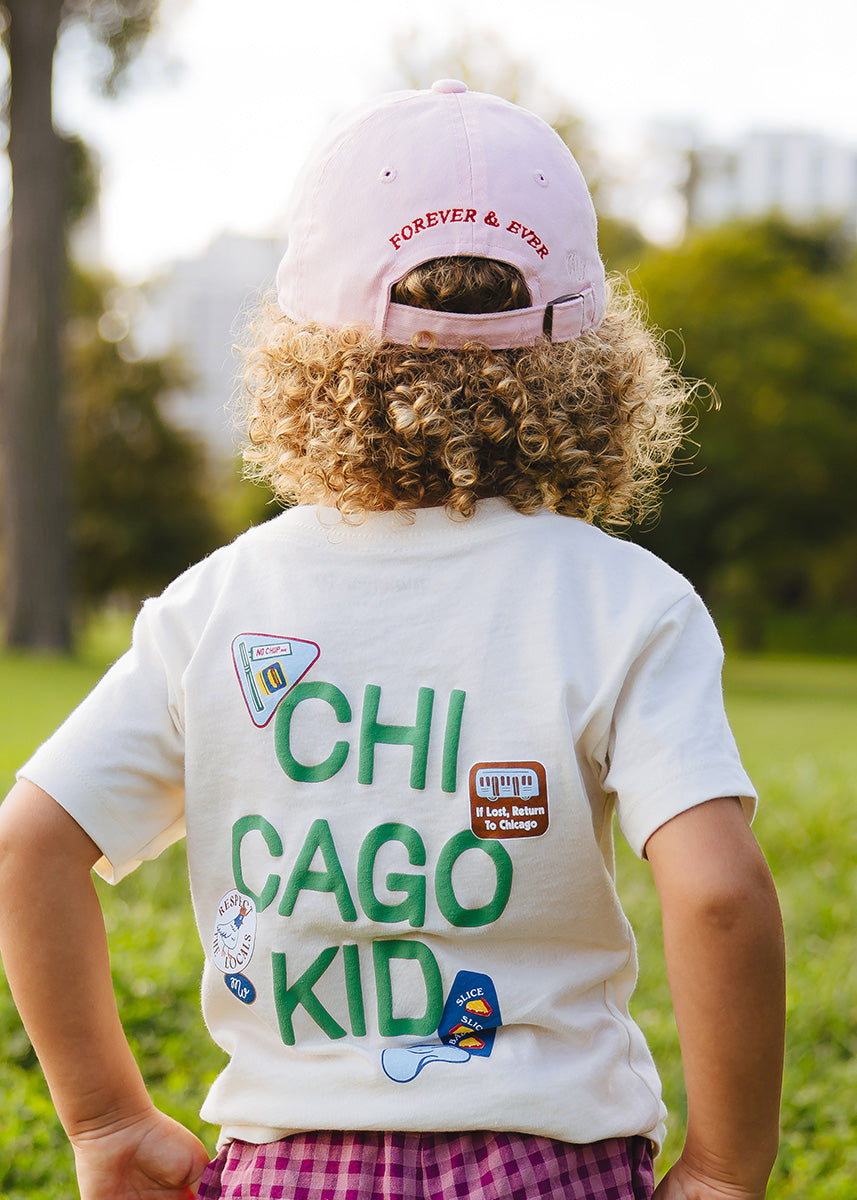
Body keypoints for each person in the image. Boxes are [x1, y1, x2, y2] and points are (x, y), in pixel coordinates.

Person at [0, 81, 784, 1200]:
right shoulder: (629, 602)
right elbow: (715, 893)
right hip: (551, 1165)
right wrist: (721, 1169)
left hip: (287, 1167)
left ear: (300, 347)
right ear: (592, 357)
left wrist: (106, 1118)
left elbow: (28, 846)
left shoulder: (216, 603)